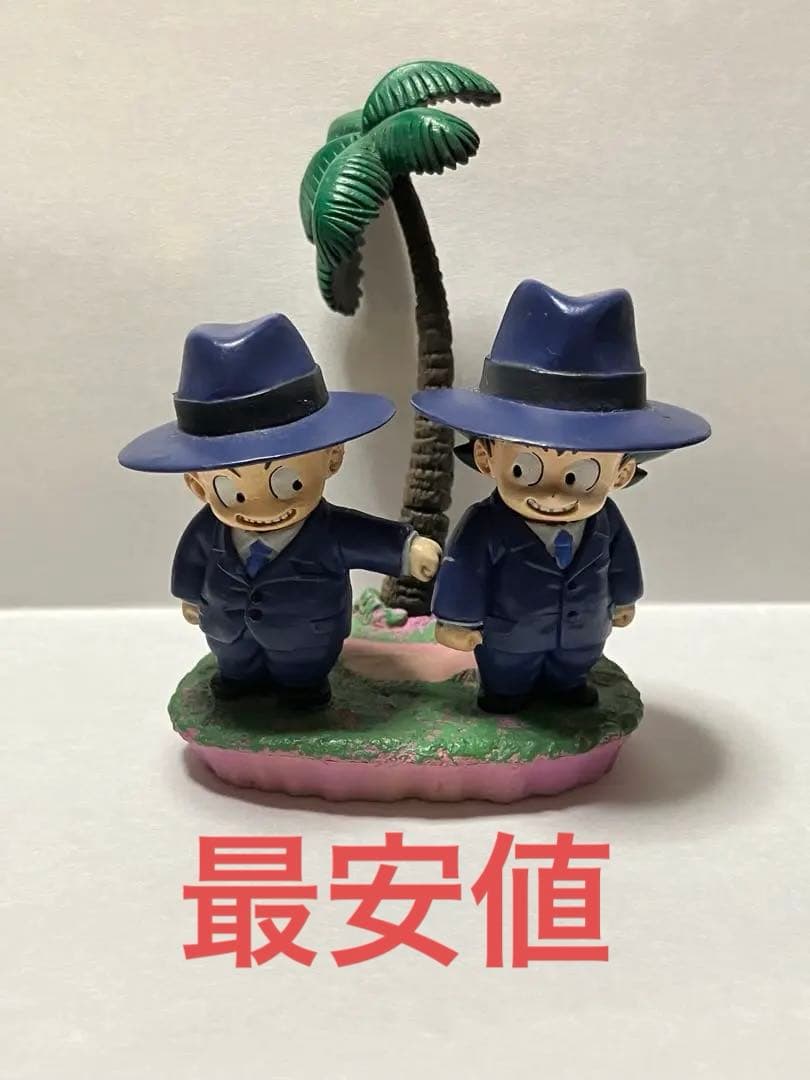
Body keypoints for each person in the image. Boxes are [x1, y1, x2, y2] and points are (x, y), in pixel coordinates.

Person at [412, 279, 710, 713]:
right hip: (509, 637)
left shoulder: (606, 522)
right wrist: (457, 619)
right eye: (524, 470)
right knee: (508, 679)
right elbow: (464, 569)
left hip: (583, 633)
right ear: (486, 457)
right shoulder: (486, 525)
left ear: (622, 472)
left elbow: (621, 560)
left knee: (572, 670)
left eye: (580, 475)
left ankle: (568, 685)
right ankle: (504, 694)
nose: (553, 495)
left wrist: (624, 596)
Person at [120, 312, 440, 707]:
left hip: (307, 639)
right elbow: (191, 560)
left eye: (287, 483)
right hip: (227, 632)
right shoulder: (207, 531)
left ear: (332, 457)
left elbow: (365, 537)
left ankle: (302, 691)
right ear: (197, 485)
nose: (261, 507)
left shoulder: (328, 531)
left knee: (300, 678)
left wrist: (408, 550)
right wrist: (188, 595)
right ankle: (237, 679)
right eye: (230, 491)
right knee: (236, 667)